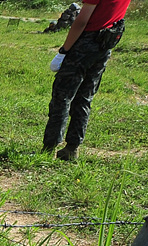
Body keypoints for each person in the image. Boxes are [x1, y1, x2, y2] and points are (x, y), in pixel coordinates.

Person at [42, 0, 130, 162]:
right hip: (105, 43)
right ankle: (72, 148)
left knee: (62, 95)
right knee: (84, 97)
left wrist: (64, 51)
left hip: (85, 43)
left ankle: (49, 148)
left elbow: (82, 21)